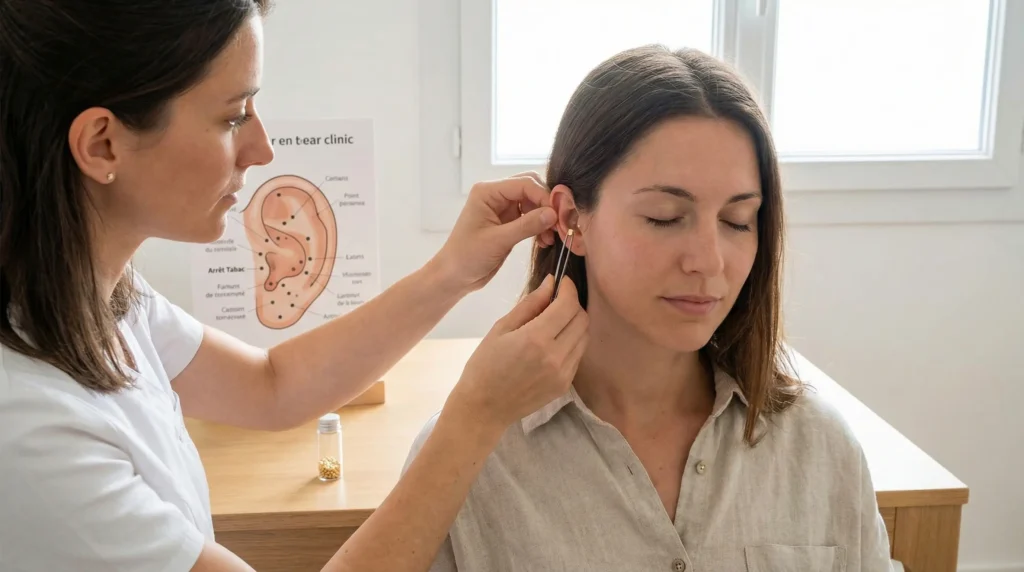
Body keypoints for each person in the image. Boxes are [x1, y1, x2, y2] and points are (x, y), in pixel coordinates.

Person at [0, 1, 589, 571]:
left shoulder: (94, 296)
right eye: (233, 117)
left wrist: (451, 272)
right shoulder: (32, 441)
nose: (262, 149)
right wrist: (476, 416)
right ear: (102, 143)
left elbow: (271, 386)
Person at [405, 45, 895, 571]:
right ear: (572, 219)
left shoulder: (821, 447)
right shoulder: (467, 459)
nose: (709, 261)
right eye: (665, 217)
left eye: (737, 221)